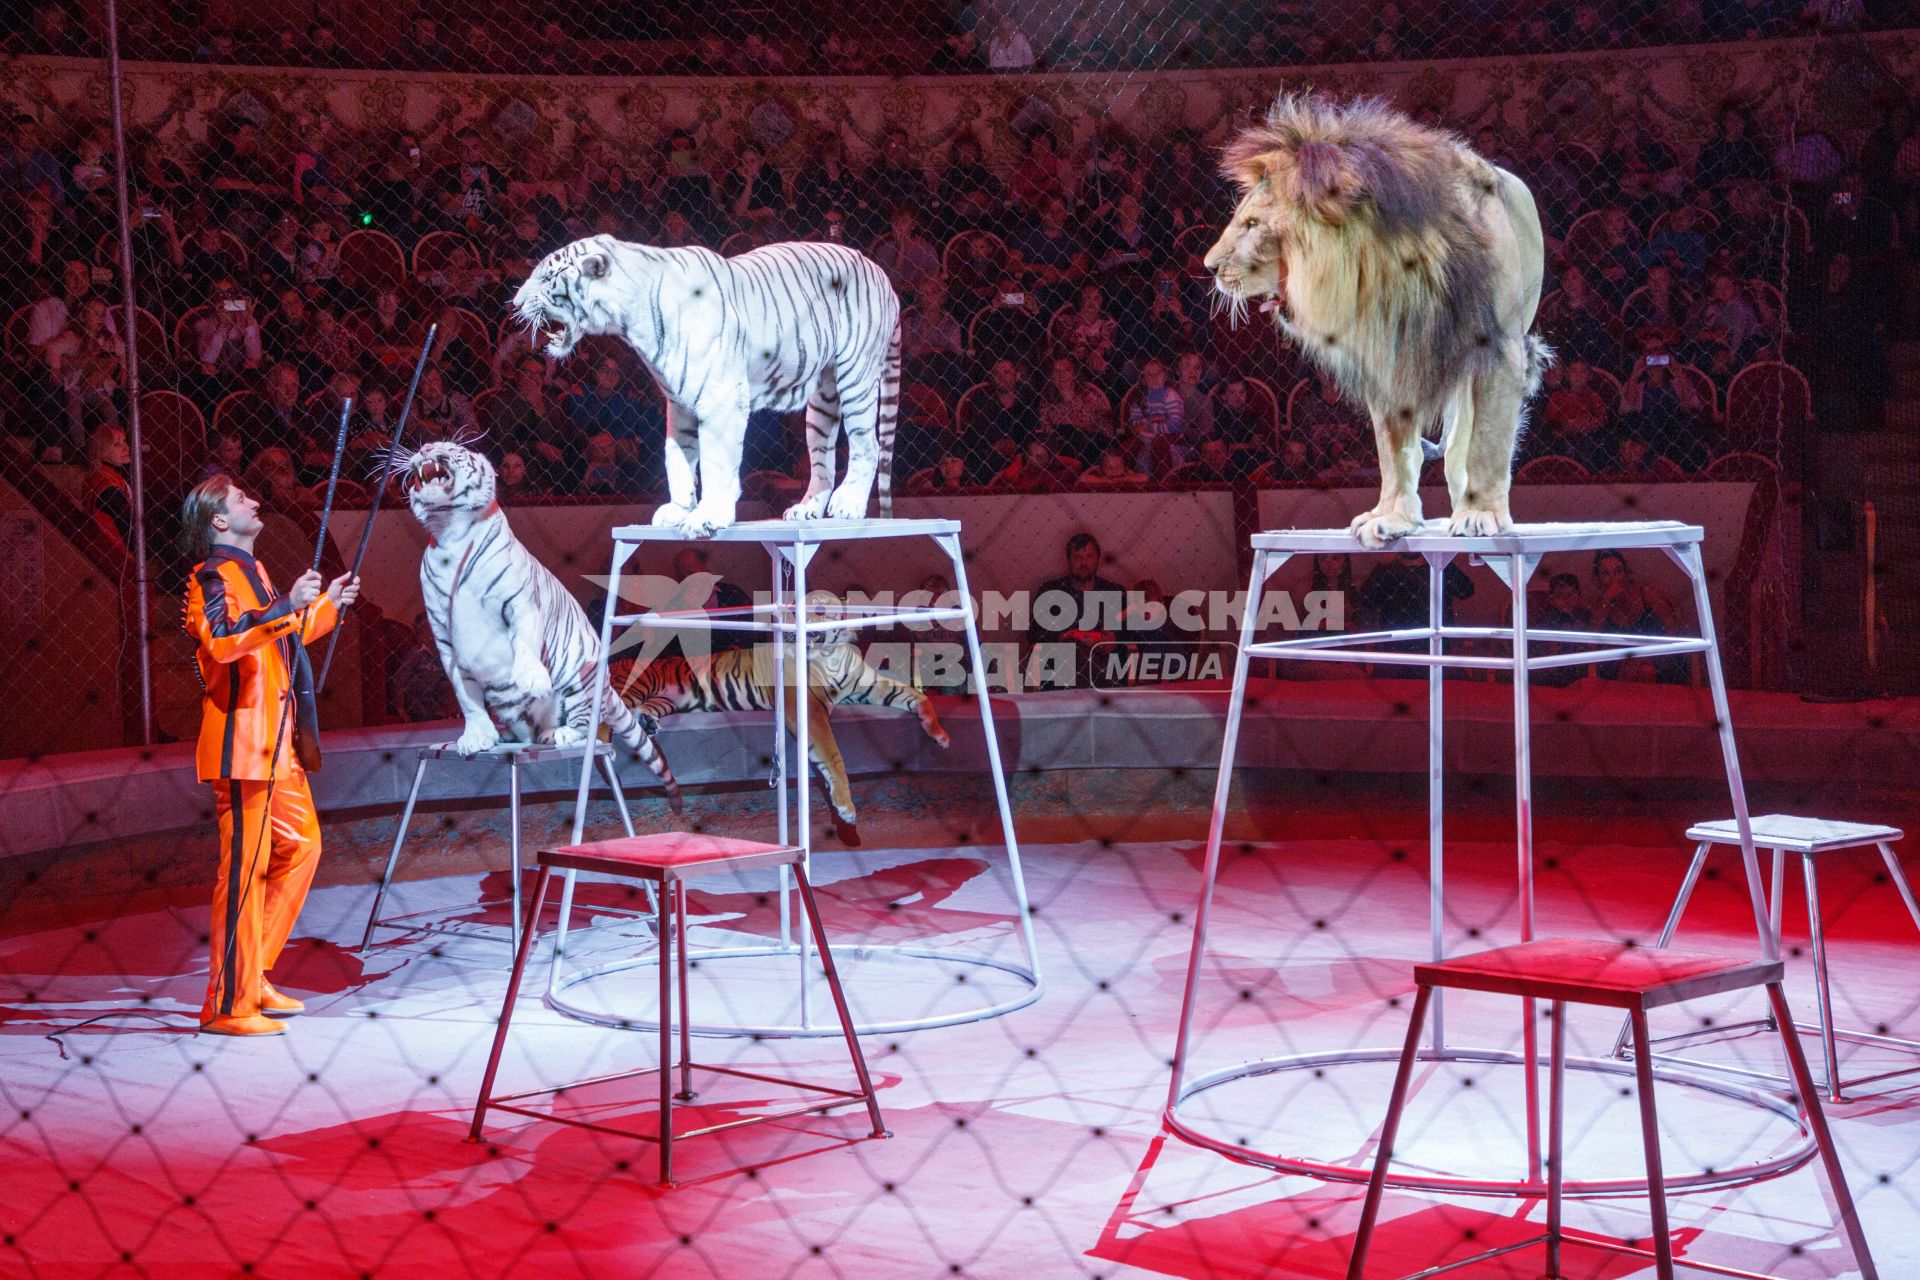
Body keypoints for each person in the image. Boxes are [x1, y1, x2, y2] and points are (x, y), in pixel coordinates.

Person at [179, 475, 359, 1036]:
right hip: (242, 744)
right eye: (239, 499)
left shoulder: (252, 572)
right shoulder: (211, 575)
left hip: (276, 746)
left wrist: (325, 606)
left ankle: (250, 972)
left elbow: (278, 637)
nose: (253, 501)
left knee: (303, 847)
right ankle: (228, 1004)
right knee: (243, 871)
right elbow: (227, 639)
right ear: (218, 521)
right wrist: (288, 605)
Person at [1029, 532, 1124, 687]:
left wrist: (1113, 641)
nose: (1083, 563)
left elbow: (1131, 636)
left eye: (1089, 557)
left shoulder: (1113, 592)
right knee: (1075, 649)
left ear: (1098, 559)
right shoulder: (1051, 592)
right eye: (1077, 557)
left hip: (1103, 663)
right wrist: (1067, 636)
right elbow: (1034, 634)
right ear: (1068, 560)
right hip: (1061, 668)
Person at [85, 422, 134, 549]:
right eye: (117, 444)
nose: (126, 448)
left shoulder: (109, 477)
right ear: (102, 449)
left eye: (125, 442)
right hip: (116, 553)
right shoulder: (106, 484)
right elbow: (129, 527)